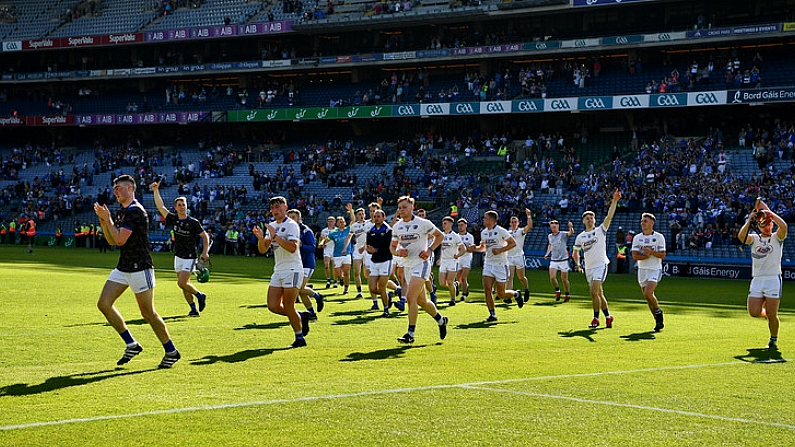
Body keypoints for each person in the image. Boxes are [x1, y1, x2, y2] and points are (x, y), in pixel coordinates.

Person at [94, 175, 180, 369]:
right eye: (114, 188)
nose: (115, 191)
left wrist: (107, 219)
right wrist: (104, 221)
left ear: (130, 189)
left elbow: (120, 240)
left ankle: (171, 351)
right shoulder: (123, 211)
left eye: (119, 188)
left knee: (148, 313)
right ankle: (131, 343)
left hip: (140, 267)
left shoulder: (135, 211)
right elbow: (110, 240)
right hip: (124, 266)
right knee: (104, 304)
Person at [252, 196, 311, 348]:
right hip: (278, 269)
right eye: (273, 208)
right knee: (272, 305)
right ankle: (301, 316)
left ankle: (300, 338)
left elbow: (292, 248)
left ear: (285, 207)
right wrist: (260, 239)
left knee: (288, 305)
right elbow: (263, 249)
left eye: (278, 207)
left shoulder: (291, 225)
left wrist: (275, 236)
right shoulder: (271, 225)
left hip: (293, 268)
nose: (275, 210)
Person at [391, 196, 448, 343]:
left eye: (404, 207)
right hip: (407, 266)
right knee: (422, 301)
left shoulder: (423, 223)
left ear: (411, 208)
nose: (401, 210)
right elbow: (392, 247)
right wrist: (398, 252)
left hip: (421, 264)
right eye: (399, 208)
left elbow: (440, 236)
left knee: (410, 298)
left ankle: (410, 334)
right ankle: (441, 320)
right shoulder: (397, 227)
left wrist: (429, 250)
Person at [152, 181, 210, 317]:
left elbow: (205, 237)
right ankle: (193, 309)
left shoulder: (193, 222)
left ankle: (200, 295)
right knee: (185, 285)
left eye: (184, 204)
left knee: (181, 283)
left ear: (186, 206)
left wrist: (205, 252)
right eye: (179, 205)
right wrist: (155, 190)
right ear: (176, 207)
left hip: (190, 257)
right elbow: (161, 207)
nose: (182, 207)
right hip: (178, 256)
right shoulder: (173, 219)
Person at [738, 199, 788, 350]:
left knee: (773, 315)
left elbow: (784, 226)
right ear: (758, 226)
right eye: (763, 224)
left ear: (772, 224)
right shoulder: (754, 238)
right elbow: (741, 237)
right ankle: (769, 315)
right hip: (758, 280)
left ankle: (773, 339)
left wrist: (768, 213)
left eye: (769, 224)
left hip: (773, 279)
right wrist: (749, 220)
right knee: (754, 312)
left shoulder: (777, 238)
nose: (767, 227)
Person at [572, 188, 621, 329]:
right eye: (587, 218)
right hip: (589, 267)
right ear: (583, 221)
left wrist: (614, 201)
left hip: (601, 265)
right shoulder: (580, 237)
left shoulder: (600, 230)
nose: (590, 219)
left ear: (594, 220)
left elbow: (609, 216)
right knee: (599, 293)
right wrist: (577, 264)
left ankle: (595, 319)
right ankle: (608, 316)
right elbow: (576, 252)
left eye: (591, 217)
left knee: (593, 291)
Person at [474, 210, 525, 322]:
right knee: (487, 290)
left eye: (485, 218)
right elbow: (484, 247)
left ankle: (516, 294)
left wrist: (500, 250)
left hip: (501, 265)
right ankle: (492, 315)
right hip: (488, 263)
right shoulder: (483, 232)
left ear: (492, 220)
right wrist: (476, 248)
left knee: (501, 294)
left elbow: (513, 243)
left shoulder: (501, 231)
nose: (483, 219)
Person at [631, 213, 666, 332]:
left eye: (645, 221)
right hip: (642, 270)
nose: (642, 223)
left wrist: (651, 252)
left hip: (655, 269)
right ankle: (657, 321)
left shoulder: (659, 237)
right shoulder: (637, 238)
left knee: (648, 293)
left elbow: (662, 254)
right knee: (648, 298)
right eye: (642, 221)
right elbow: (635, 256)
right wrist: (645, 256)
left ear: (652, 223)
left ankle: (659, 311)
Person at [287, 209, 325, 320]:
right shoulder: (289, 231)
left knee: (299, 288)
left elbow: (313, 248)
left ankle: (317, 296)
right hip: (295, 263)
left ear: (299, 218)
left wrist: (301, 246)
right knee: (301, 289)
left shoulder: (306, 231)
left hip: (307, 264)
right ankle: (312, 313)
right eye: (289, 217)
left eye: (293, 217)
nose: (291, 220)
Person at [365, 209, 393, 317]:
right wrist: (369, 249)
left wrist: (376, 250)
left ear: (384, 217)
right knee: (372, 288)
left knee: (382, 287)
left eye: (378, 216)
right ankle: (387, 296)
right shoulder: (370, 231)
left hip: (385, 260)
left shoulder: (388, 231)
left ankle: (386, 310)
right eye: (375, 216)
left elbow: (389, 248)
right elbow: (369, 246)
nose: (376, 218)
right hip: (374, 261)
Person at [437, 216, 466, 307]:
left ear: (450, 224)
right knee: (442, 283)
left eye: (445, 223)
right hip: (444, 261)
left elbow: (463, 249)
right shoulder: (441, 235)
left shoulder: (455, 236)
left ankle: (452, 299)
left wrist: (457, 255)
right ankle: (455, 285)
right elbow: (442, 248)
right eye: (443, 223)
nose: (443, 225)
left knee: (449, 282)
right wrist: (440, 259)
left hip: (452, 261)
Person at [506, 209, 533, 303]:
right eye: (512, 222)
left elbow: (529, 226)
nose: (513, 223)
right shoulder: (507, 233)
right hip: (509, 257)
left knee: (521, 277)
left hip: (518, 256)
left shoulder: (520, 231)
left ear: (518, 223)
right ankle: (508, 296)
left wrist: (528, 216)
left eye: (515, 222)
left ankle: (526, 289)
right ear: (510, 223)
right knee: (509, 277)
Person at [544, 220, 574, 302]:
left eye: (554, 227)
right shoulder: (550, 236)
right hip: (554, 259)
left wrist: (571, 227)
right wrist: (547, 253)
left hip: (563, 259)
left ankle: (567, 293)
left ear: (558, 226)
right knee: (552, 277)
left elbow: (570, 233)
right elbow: (550, 245)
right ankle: (558, 291)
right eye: (552, 227)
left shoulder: (562, 234)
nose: (553, 229)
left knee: (564, 279)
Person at [325, 213, 353, 296]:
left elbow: (354, 220)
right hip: (337, 254)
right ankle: (341, 278)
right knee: (337, 273)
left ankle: (346, 289)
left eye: (343, 222)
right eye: (340, 222)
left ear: (345, 223)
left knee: (347, 271)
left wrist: (351, 211)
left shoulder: (348, 229)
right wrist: (322, 243)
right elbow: (326, 239)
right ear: (337, 223)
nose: (341, 223)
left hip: (347, 254)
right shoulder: (333, 232)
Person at [348, 204, 369, 301]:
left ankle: (374, 289)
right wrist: (345, 248)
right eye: (359, 214)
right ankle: (359, 292)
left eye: (362, 214)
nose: (361, 215)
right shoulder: (354, 226)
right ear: (356, 216)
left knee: (368, 273)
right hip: (357, 249)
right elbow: (349, 236)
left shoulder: (369, 223)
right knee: (356, 271)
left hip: (368, 250)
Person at [455, 218, 475, 302]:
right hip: (458, 258)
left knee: (463, 277)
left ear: (466, 226)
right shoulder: (456, 236)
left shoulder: (470, 237)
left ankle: (463, 294)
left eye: (462, 225)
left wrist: (464, 248)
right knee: (458, 278)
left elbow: (470, 249)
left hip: (467, 258)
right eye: (459, 225)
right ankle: (466, 286)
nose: (460, 227)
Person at [318, 216, 337, 288]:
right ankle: (328, 280)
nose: (330, 222)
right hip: (327, 249)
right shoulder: (324, 230)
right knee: (326, 265)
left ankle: (335, 281)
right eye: (329, 221)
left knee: (335, 266)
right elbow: (321, 239)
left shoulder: (337, 230)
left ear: (334, 222)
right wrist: (321, 244)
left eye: (332, 221)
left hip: (335, 249)